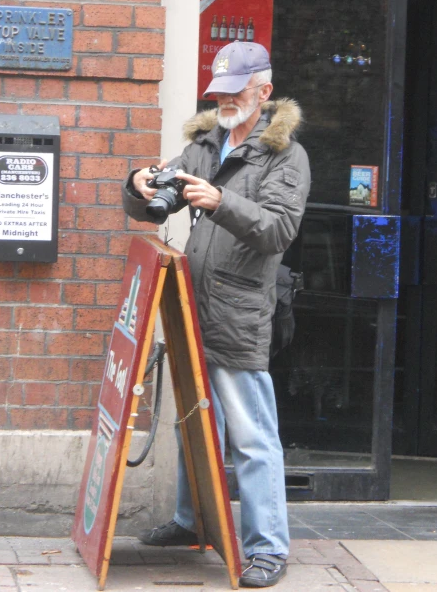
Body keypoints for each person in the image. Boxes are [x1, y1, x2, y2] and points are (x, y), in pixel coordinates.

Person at [121, 41, 311, 588]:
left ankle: (268, 548)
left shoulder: (285, 156)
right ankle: (192, 520)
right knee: (192, 423)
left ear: (263, 92)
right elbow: (160, 197)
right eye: (219, 92)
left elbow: (277, 229)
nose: (224, 101)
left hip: (240, 311)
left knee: (251, 436)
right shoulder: (206, 143)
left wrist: (219, 201)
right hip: (190, 309)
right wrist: (139, 183)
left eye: (236, 92)